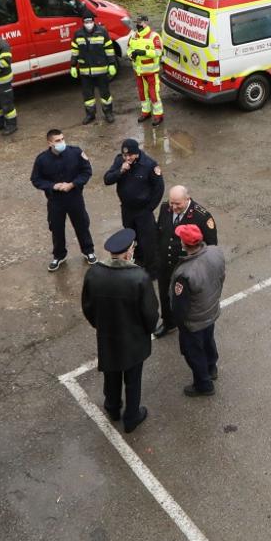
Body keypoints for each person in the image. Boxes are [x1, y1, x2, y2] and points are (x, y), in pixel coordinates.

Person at [80, 228, 158, 433]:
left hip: (108, 337)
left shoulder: (94, 273)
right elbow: (150, 313)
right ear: (128, 252)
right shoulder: (139, 277)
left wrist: (100, 325)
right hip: (133, 340)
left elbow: (87, 307)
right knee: (133, 381)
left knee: (111, 374)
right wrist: (147, 330)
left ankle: (113, 407)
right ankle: (131, 417)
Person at [103, 138, 167, 327]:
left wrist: (149, 208)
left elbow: (159, 188)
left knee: (149, 241)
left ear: (136, 153)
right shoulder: (120, 162)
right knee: (132, 238)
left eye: (130, 154)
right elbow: (107, 179)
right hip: (127, 209)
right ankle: (137, 260)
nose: (127, 157)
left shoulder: (149, 165)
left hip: (143, 211)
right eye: (124, 155)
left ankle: (152, 270)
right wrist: (120, 170)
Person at [170, 223, 226, 397]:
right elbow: (221, 278)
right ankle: (211, 367)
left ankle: (203, 384)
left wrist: (180, 325)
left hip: (193, 321)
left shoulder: (184, 273)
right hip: (211, 311)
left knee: (193, 352)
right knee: (209, 340)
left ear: (185, 244)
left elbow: (180, 307)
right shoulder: (216, 252)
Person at [30, 128, 95, 271]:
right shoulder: (42, 160)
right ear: (50, 143)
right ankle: (59, 255)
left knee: (82, 224)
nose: (61, 142)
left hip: (74, 197)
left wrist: (72, 184)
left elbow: (86, 171)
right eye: (57, 140)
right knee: (57, 228)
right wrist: (53, 186)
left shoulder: (76, 153)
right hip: (55, 201)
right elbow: (36, 179)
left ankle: (88, 251)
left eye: (62, 139)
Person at [157, 184, 218, 317]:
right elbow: (160, 233)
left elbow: (211, 246)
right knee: (164, 295)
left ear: (187, 199)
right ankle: (168, 321)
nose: (173, 207)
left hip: (187, 269)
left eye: (177, 204)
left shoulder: (202, 217)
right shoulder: (165, 208)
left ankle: (186, 321)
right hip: (165, 265)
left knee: (185, 298)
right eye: (171, 203)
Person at [70, 15, 119, 124]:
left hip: (101, 70)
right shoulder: (78, 34)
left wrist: (112, 64)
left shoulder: (102, 32)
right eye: (86, 22)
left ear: (93, 21)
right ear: (83, 22)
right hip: (85, 71)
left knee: (105, 94)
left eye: (90, 21)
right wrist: (73, 65)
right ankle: (90, 114)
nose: (88, 24)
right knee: (88, 96)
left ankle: (108, 113)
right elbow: (75, 51)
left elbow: (109, 49)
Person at [128, 15, 165, 125]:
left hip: (151, 72)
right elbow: (129, 49)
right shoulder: (133, 36)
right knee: (142, 93)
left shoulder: (154, 37)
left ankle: (158, 115)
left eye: (140, 22)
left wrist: (145, 53)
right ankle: (146, 112)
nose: (138, 24)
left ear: (146, 23)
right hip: (138, 72)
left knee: (153, 94)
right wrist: (132, 55)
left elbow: (158, 52)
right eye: (137, 22)